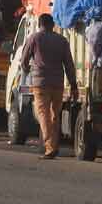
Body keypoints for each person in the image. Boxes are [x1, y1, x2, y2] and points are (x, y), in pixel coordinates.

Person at [20, 13, 78, 159]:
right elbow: (69, 65)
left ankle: (50, 146)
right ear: (52, 25)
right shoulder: (62, 41)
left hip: (40, 84)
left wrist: (27, 71)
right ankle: (53, 146)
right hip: (58, 84)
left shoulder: (34, 38)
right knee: (54, 115)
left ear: (40, 24)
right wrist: (73, 85)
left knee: (43, 113)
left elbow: (23, 61)